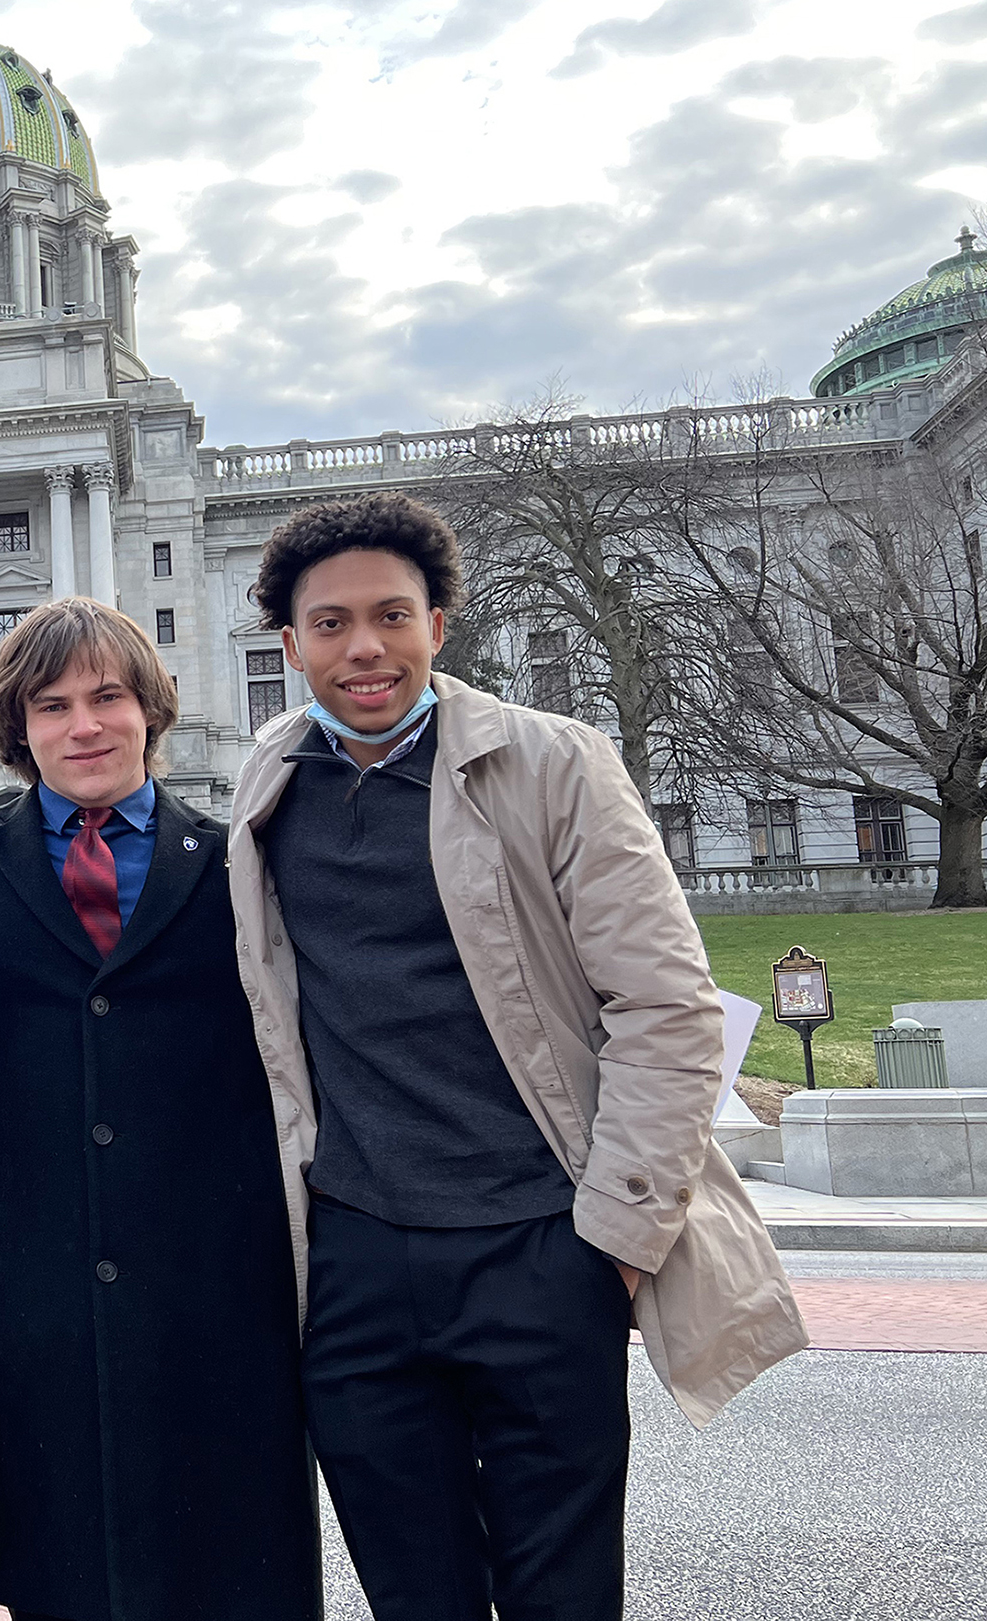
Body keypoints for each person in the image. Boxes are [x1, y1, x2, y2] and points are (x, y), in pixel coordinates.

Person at [227, 492, 809, 1621]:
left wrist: (618, 1234)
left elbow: (666, 1006)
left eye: (391, 616)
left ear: (437, 625)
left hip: (540, 1248)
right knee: (413, 1589)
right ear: (288, 644)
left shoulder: (554, 763)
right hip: (352, 1263)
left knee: (563, 1591)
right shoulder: (267, 782)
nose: (365, 648)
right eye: (332, 623)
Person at [0, 597, 321, 1621]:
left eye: (106, 697)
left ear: (150, 708)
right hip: (35, 1285)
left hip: (215, 1282)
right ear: (18, 729)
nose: (83, 726)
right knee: (58, 1575)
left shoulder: (241, 860)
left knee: (227, 1569)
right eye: (51, 706)